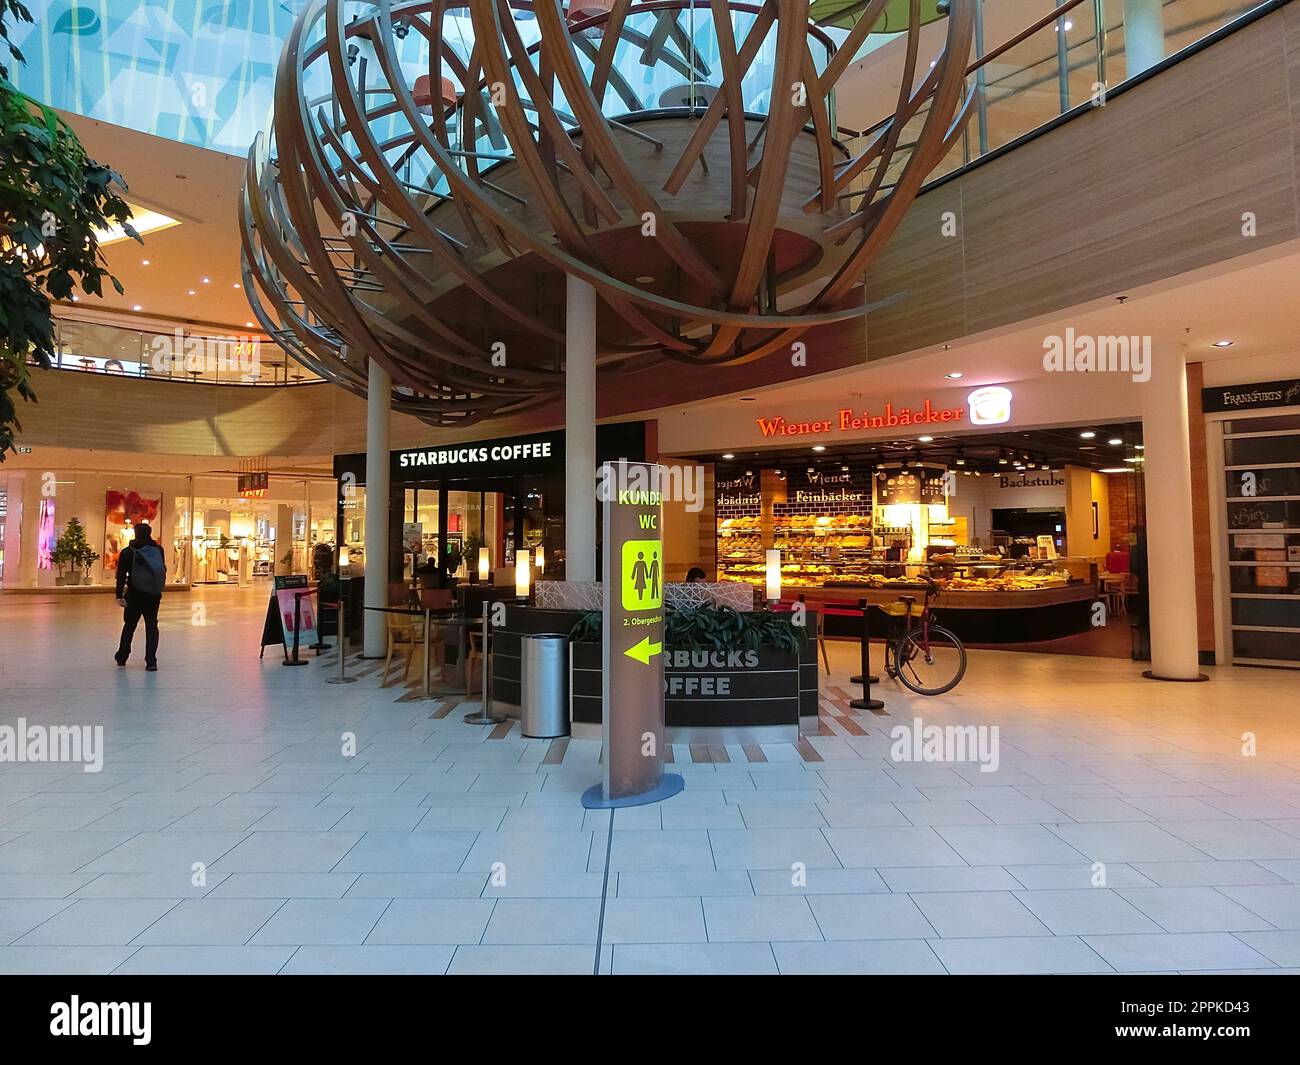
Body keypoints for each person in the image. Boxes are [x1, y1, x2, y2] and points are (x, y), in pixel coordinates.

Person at [115, 523, 166, 671]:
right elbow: (161, 569)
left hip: (134, 594)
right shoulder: (158, 549)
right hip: (153, 595)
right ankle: (151, 661)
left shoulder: (128, 552)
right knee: (152, 626)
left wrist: (119, 595)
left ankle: (122, 656)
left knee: (129, 626)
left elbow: (121, 575)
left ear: (135, 533)